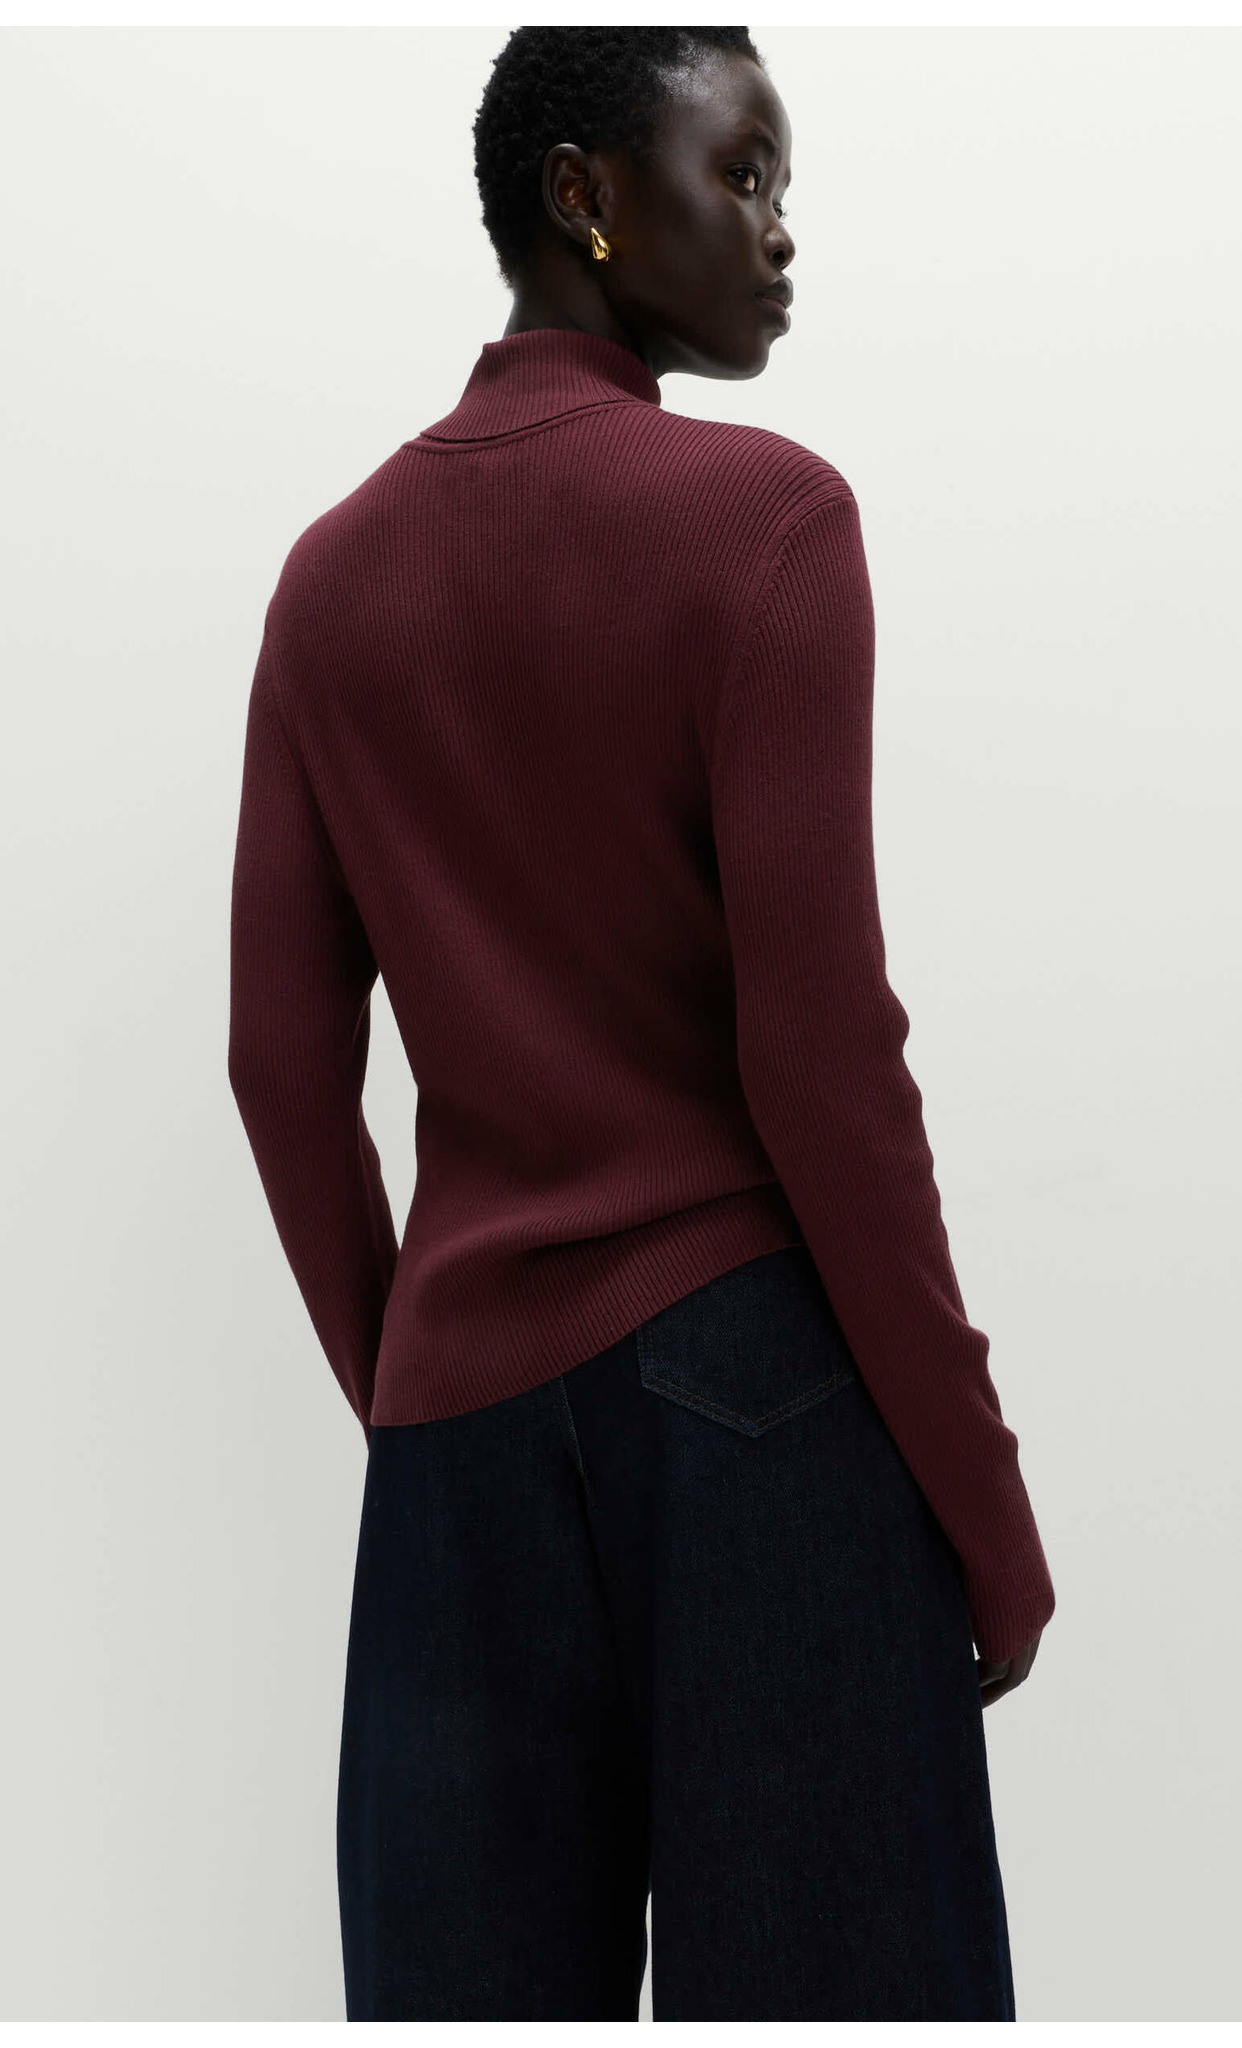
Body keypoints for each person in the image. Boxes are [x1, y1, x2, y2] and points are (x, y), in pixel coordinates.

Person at [227, 24, 1056, 2022]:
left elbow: (280, 1069)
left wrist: (423, 1390)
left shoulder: (329, 584)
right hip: (761, 1405)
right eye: (742, 173)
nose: (781, 233)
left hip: (460, 1446)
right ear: (584, 196)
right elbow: (821, 1059)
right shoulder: (767, 524)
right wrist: (983, 1502)